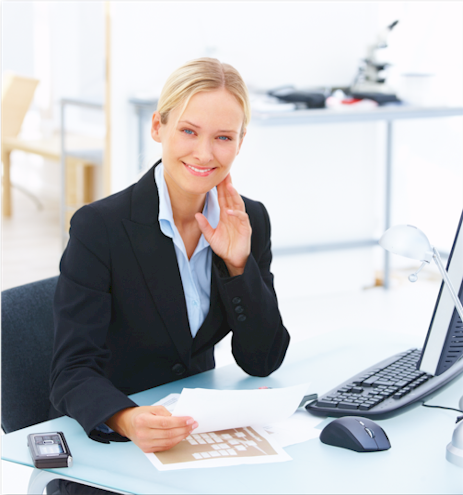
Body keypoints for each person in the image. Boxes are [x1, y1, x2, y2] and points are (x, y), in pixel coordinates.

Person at [48, 58, 290, 494]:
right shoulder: (99, 228)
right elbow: (71, 371)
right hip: (115, 456)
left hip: (198, 446)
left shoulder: (249, 219)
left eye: (223, 138)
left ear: (240, 142)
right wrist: (126, 418)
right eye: (188, 131)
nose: (204, 153)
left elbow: (263, 360)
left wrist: (239, 266)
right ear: (159, 127)